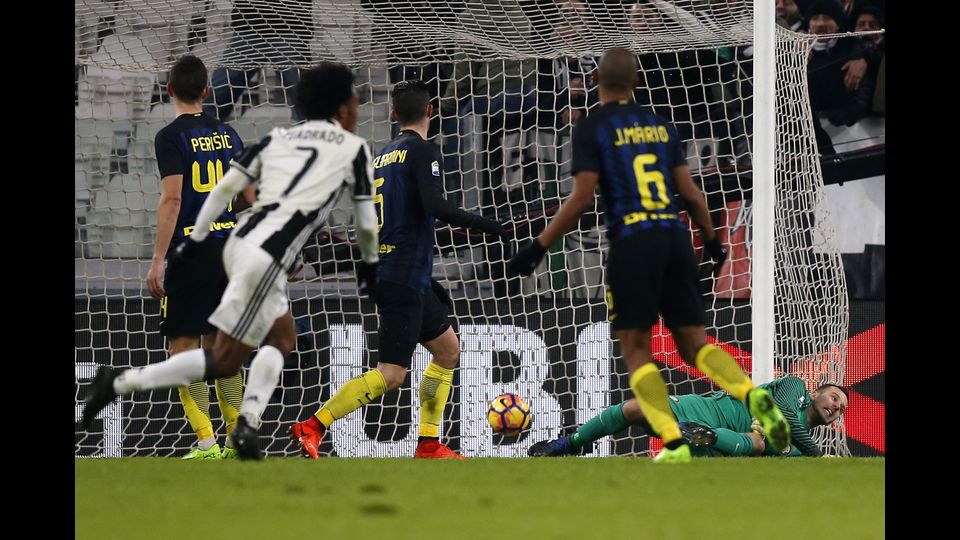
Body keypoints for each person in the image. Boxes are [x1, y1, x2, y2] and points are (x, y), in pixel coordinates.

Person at [81, 62, 380, 461]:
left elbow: (218, 191)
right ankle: (232, 425)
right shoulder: (348, 148)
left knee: (232, 349)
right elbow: (363, 220)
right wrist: (367, 264)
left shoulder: (271, 138)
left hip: (226, 247)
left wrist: (187, 245)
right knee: (242, 350)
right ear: (343, 107)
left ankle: (224, 431)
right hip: (256, 253)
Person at [507, 47, 791, 463]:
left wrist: (537, 247)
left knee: (638, 350)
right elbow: (692, 194)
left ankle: (673, 443)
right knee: (696, 345)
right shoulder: (661, 126)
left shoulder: (592, 127)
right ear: (636, 83)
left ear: (595, 81)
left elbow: (582, 199)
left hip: (633, 240)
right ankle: (752, 395)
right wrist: (713, 241)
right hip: (675, 236)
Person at [289, 80, 510, 460]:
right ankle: (314, 425)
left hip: (401, 271)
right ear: (431, 111)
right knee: (391, 375)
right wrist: (491, 226)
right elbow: (435, 206)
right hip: (402, 275)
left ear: (393, 114)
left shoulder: (382, 156)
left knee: (447, 351)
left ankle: (428, 443)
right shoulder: (423, 151)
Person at [148, 54, 256, 460]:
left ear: (169, 90)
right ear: (207, 91)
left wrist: (158, 259)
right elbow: (248, 198)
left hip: (191, 251)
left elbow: (172, 198)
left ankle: (206, 443)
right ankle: (235, 442)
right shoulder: (228, 135)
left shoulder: (169, 137)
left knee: (183, 349)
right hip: (229, 250)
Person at [529, 375, 848, 457]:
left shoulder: (798, 450)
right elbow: (786, 415)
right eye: (834, 397)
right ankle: (570, 443)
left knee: (760, 444)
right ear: (816, 392)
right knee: (636, 408)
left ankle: (702, 436)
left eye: (841, 410)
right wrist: (817, 455)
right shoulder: (795, 387)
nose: (836, 407)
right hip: (713, 410)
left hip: (728, 445)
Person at [202, 0, 313, 122]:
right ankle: (201, 130)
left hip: (289, 27)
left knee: (304, 98)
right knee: (215, 97)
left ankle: (312, 131)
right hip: (249, 27)